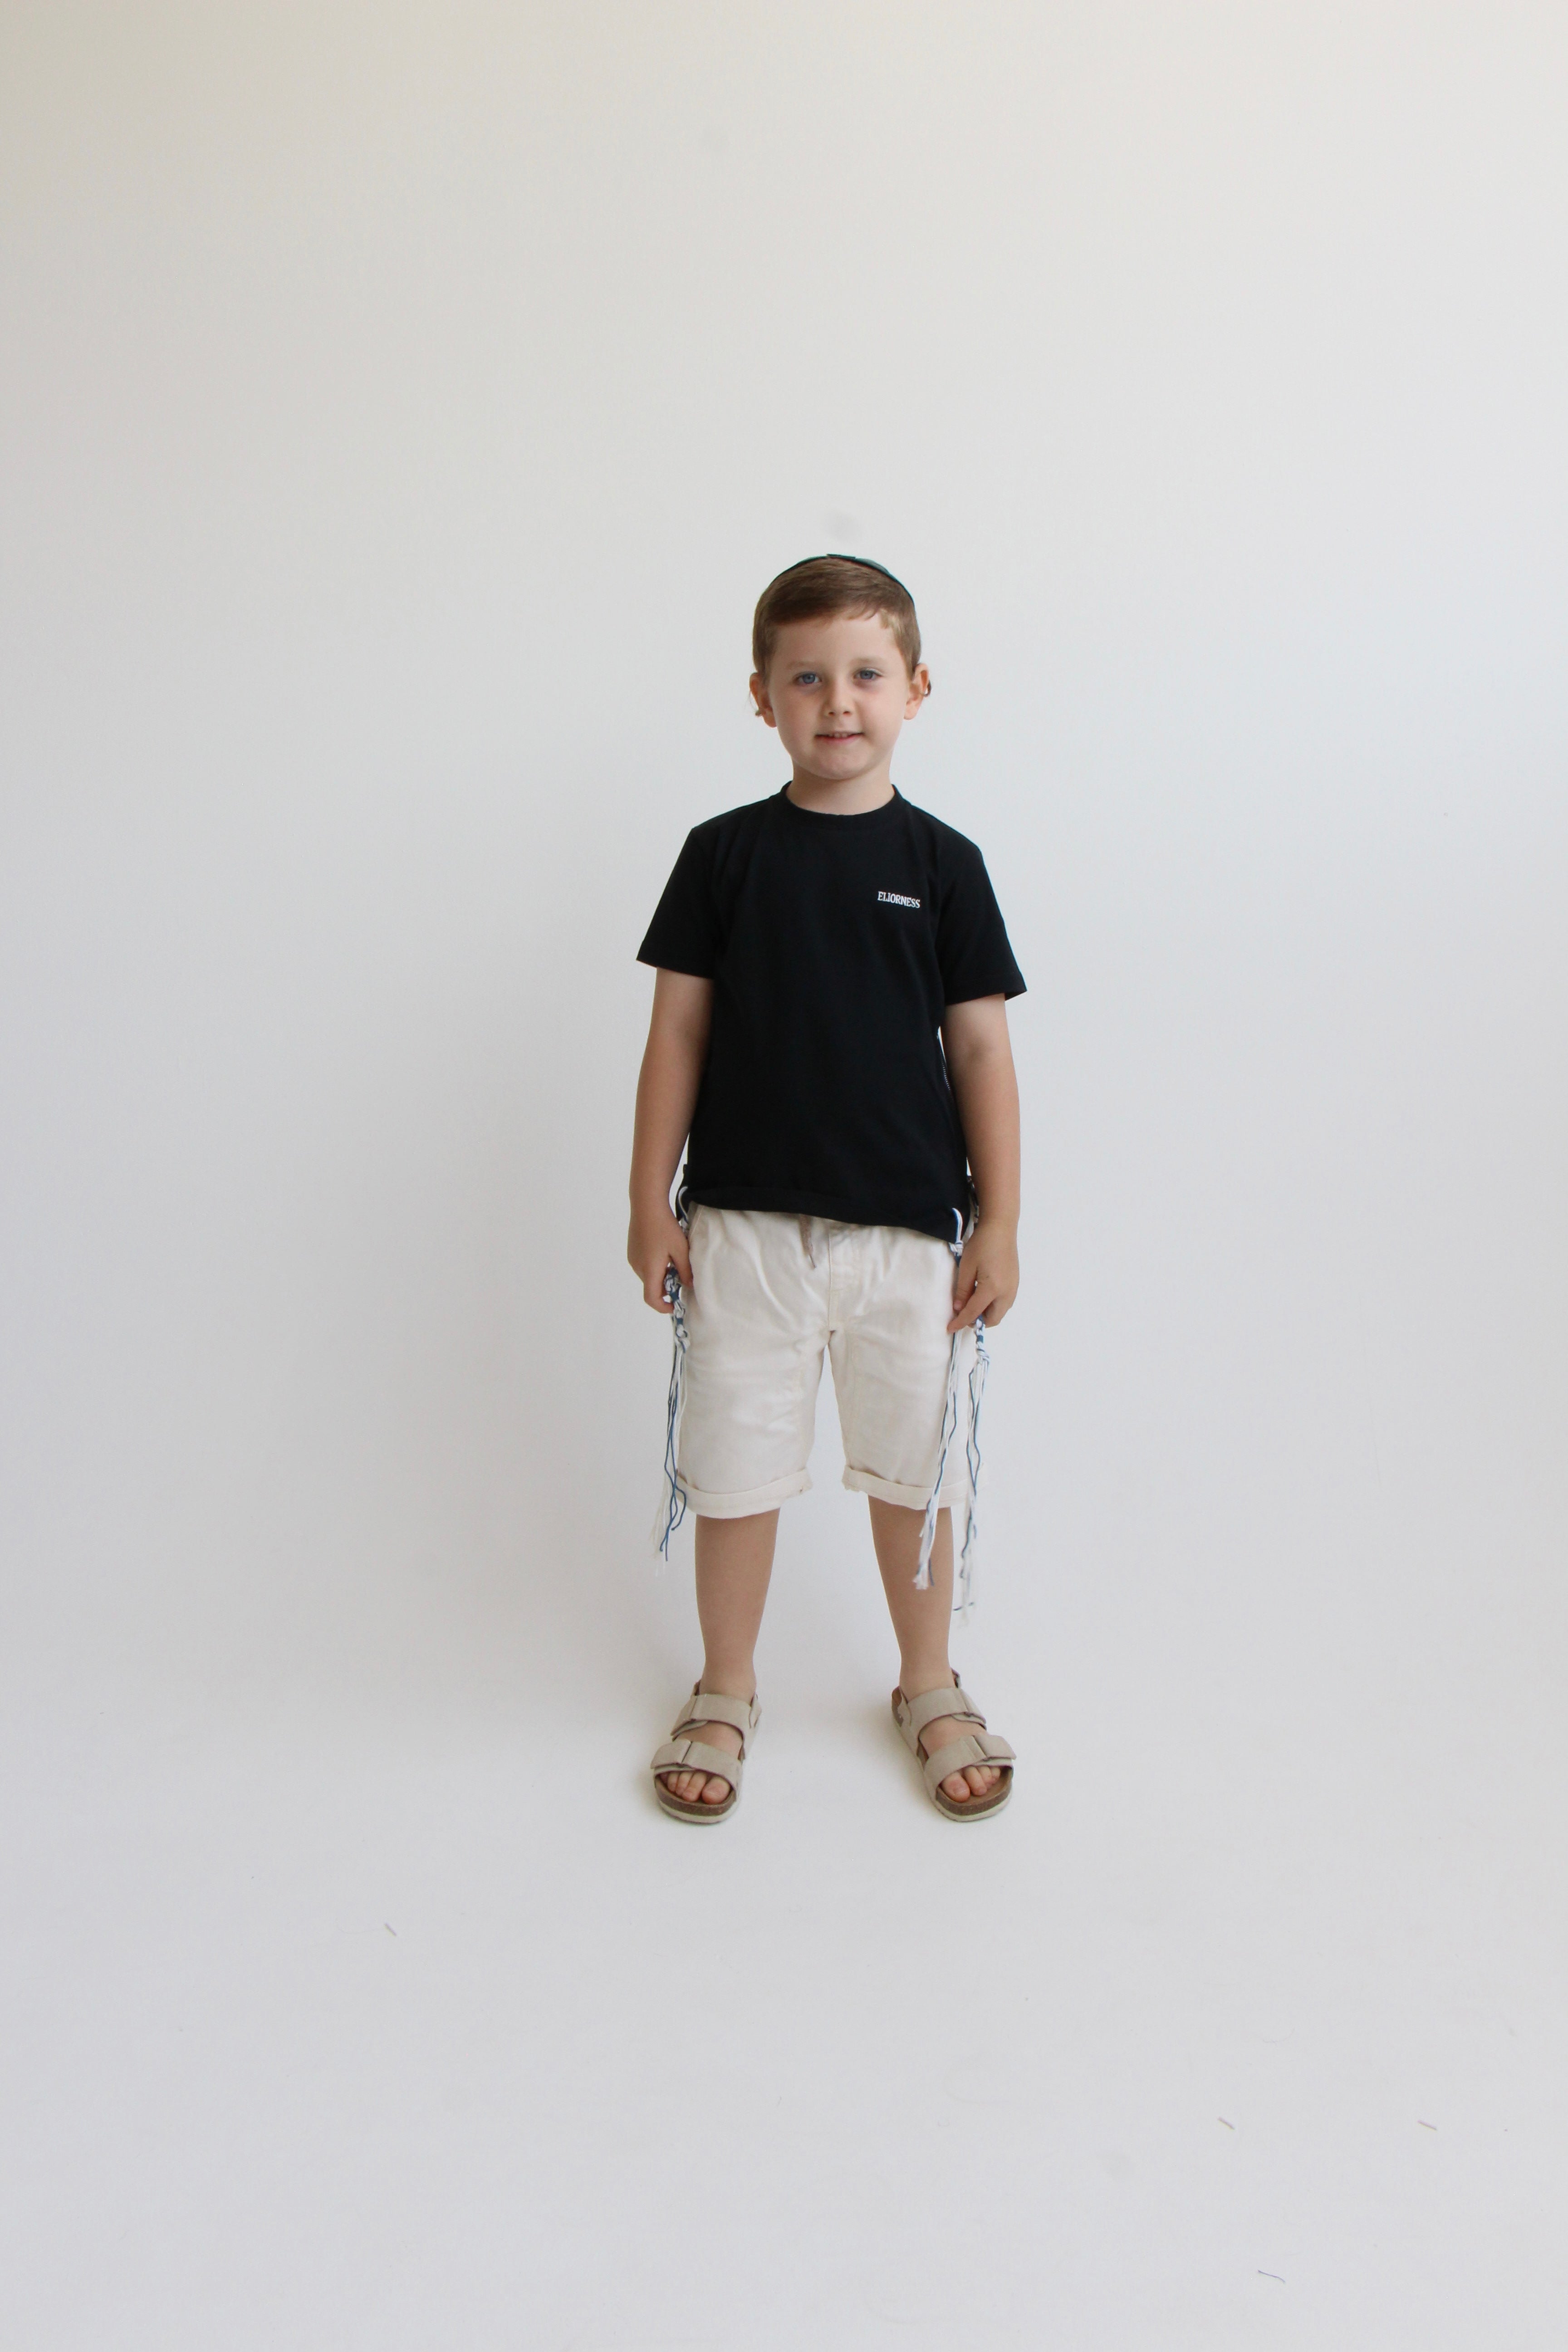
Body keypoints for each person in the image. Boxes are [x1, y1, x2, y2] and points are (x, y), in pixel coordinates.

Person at [627, 554, 1025, 1824]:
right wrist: (648, 1202)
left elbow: (981, 1051)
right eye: (806, 678)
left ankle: (929, 1682)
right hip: (742, 1228)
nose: (837, 701)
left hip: (908, 1238)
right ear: (763, 698)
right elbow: (677, 1034)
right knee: (735, 1471)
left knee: (914, 1474)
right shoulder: (723, 856)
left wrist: (1002, 1222)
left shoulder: (946, 864)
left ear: (916, 687)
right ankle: (727, 1686)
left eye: (864, 674)